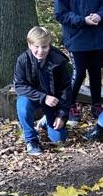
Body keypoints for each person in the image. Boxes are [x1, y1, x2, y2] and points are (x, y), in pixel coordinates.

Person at [13, 26, 71, 156]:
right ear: (30, 45)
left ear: (49, 45)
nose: (40, 51)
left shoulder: (59, 61)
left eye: (44, 47)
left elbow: (66, 90)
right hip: (33, 98)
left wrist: (62, 115)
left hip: (53, 102)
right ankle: (31, 140)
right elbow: (19, 86)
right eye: (37, 47)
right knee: (22, 105)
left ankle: (46, 121)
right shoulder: (23, 60)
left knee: (59, 139)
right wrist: (43, 97)